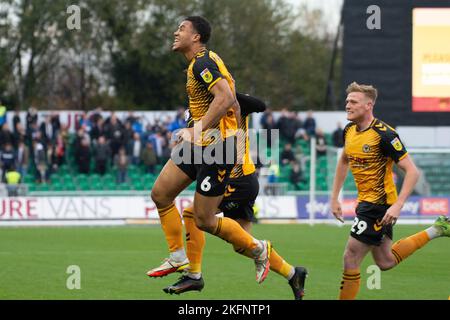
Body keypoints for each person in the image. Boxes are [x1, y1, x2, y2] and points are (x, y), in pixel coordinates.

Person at [148, 16, 272, 292]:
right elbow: (226, 100)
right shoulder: (198, 64)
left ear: (196, 37)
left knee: (203, 219)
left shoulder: (204, 62)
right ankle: (178, 256)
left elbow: (226, 98)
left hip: (219, 147)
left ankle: (258, 249)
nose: (175, 32)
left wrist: (197, 128)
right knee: (160, 194)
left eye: (181, 28)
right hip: (200, 144)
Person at [150, 93, 308, 299]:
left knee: (194, 215)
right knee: (241, 244)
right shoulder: (200, 105)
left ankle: (195, 275)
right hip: (236, 177)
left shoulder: (227, 99)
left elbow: (260, 104)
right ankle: (293, 273)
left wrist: (227, 93)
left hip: (237, 177)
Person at [330, 82, 450, 300]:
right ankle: (438, 229)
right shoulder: (348, 130)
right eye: (347, 101)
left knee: (351, 257)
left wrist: (397, 205)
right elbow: (343, 161)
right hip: (368, 202)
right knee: (385, 261)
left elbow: (412, 171)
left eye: (353, 102)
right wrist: (334, 198)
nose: (348, 105)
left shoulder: (384, 134)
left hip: (378, 204)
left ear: (368, 105)